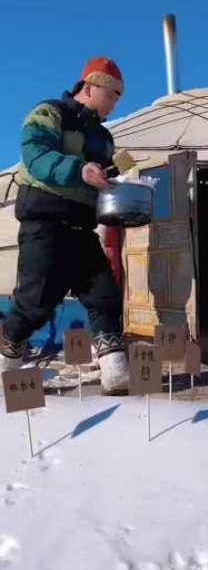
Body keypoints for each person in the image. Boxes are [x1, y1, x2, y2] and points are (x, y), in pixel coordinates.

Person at [0, 57, 129, 394]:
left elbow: (107, 175)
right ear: (90, 86)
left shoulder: (105, 138)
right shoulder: (49, 113)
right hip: (45, 220)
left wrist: (124, 188)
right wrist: (79, 170)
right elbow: (36, 156)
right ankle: (7, 350)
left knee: (104, 294)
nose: (115, 103)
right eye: (112, 94)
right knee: (35, 302)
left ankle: (115, 369)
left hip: (82, 227)